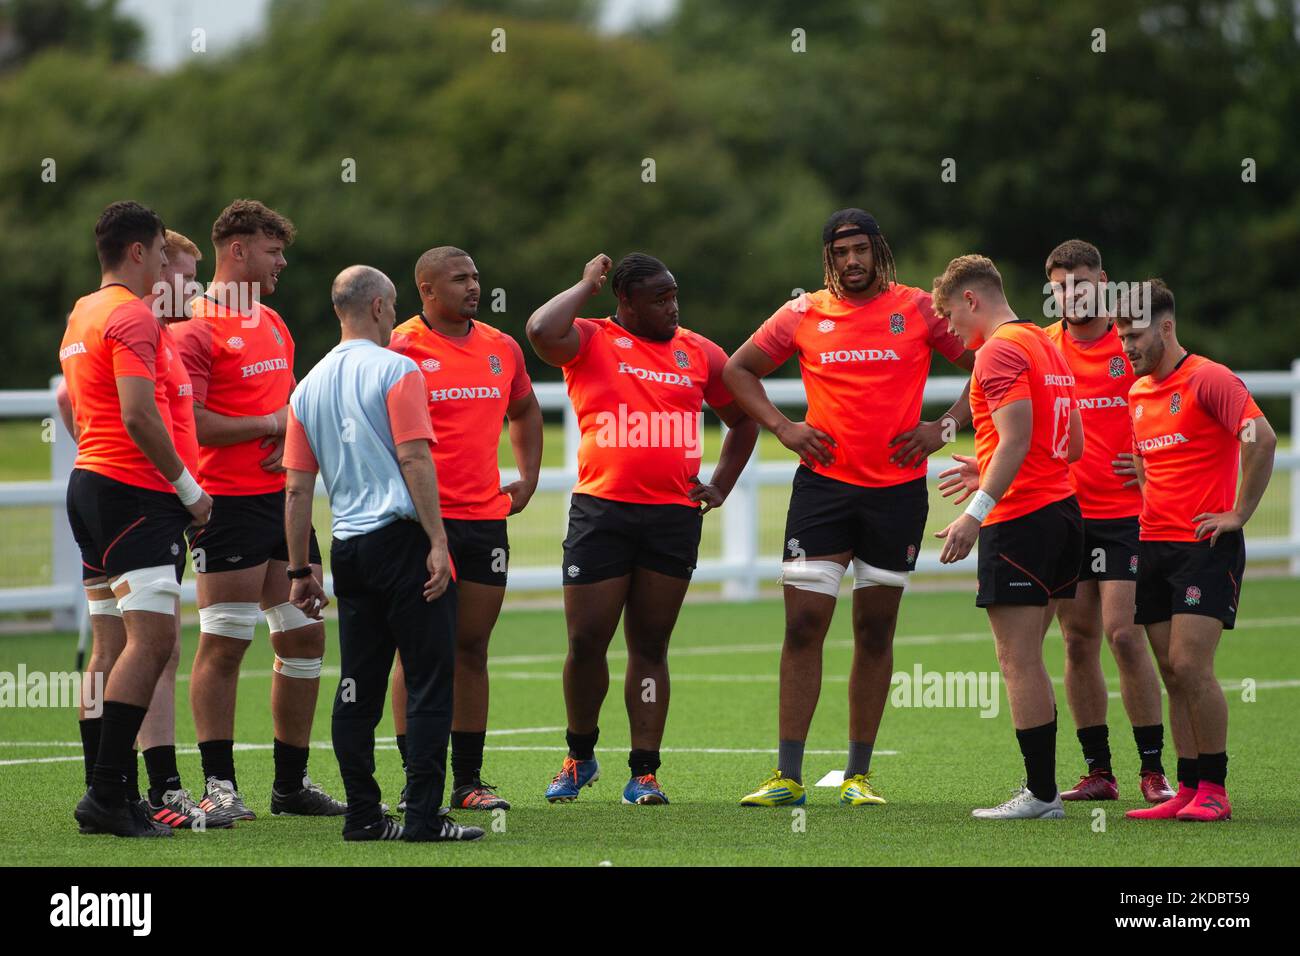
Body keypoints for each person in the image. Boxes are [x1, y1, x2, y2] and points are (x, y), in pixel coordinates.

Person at [724, 209, 975, 808]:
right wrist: (784, 428)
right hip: (823, 491)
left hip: (896, 493)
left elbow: (989, 363)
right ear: (828, 259)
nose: (851, 262)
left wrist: (943, 430)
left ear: (878, 250)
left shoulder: (917, 308)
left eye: (860, 250)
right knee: (802, 626)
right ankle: (787, 776)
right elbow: (738, 370)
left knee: (874, 629)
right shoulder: (803, 312)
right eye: (840, 254)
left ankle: (858, 776)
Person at [526, 252, 758, 805]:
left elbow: (743, 420)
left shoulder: (699, 352)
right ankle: (579, 757)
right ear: (624, 302)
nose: (672, 306)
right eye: (659, 298)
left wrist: (721, 485)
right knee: (586, 642)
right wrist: (585, 284)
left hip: (671, 519)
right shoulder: (590, 338)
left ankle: (644, 773)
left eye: (675, 294)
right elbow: (539, 330)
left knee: (650, 646)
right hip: (601, 514)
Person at [283, 264, 482, 842]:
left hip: (348, 548)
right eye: (393, 308)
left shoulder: (307, 385)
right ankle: (423, 817)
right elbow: (416, 459)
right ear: (377, 307)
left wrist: (299, 569)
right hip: (402, 541)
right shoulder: (399, 369)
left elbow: (296, 488)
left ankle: (364, 816)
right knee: (427, 679)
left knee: (358, 686)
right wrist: (439, 541)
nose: (395, 318)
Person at [173, 199, 344, 820]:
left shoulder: (273, 321)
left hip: (284, 505)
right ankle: (219, 789)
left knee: (304, 635)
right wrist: (270, 423)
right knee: (225, 642)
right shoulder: (192, 324)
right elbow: (188, 422)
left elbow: (288, 401)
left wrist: (288, 429)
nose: (282, 262)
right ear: (237, 250)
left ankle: (290, 787)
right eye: (273, 251)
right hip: (227, 505)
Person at [61, 200, 213, 837]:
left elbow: (77, 400)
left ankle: (111, 791)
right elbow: (138, 414)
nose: (162, 267)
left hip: (92, 487)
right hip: (134, 493)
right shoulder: (130, 314)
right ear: (138, 252)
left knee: (110, 646)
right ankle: (106, 793)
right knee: (152, 643)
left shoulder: (83, 312)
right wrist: (188, 490)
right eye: (158, 253)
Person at [387, 246, 542, 813]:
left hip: (484, 520)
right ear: (426, 290)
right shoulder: (399, 346)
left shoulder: (501, 347)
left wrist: (527, 477)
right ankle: (415, 780)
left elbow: (524, 410)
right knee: (419, 651)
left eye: (476, 276)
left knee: (471, 649)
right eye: (459, 279)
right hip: (421, 524)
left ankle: (469, 781)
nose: (473, 287)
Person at [1115, 280, 1274, 822]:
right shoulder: (1137, 394)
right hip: (1154, 545)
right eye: (1120, 338)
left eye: (1134, 336)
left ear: (1166, 327)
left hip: (1206, 546)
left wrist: (1238, 513)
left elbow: (1262, 437)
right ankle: (1185, 789)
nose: (1126, 347)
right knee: (1170, 671)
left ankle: (1216, 788)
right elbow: (1142, 460)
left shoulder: (1209, 378)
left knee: (1190, 664)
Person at [931, 254, 1083, 820]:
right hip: (1063, 511)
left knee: (1017, 658)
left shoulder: (997, 349)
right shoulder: (1048, 344)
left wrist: (976, 509)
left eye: (949, 316)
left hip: (1022, 520)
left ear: (971, 299)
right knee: (1034, 657)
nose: (948, 330)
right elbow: (1072, 444)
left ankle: (1042, 794)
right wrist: (990, 462)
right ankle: (1044, 789)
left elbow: (1017, 437)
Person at [1040, 240, 1173, 804]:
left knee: (1124, 634)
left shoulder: (1130, 339)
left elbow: (1170, 399)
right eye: (1061, 286)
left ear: (1104, 281)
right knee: (1077, 642)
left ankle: (1153, 769)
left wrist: (1145, 456)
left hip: (1125, 515)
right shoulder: (1043, 347)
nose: (1071, 295)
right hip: (1068, 512)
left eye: (1082, 283)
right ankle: (1099, 772)